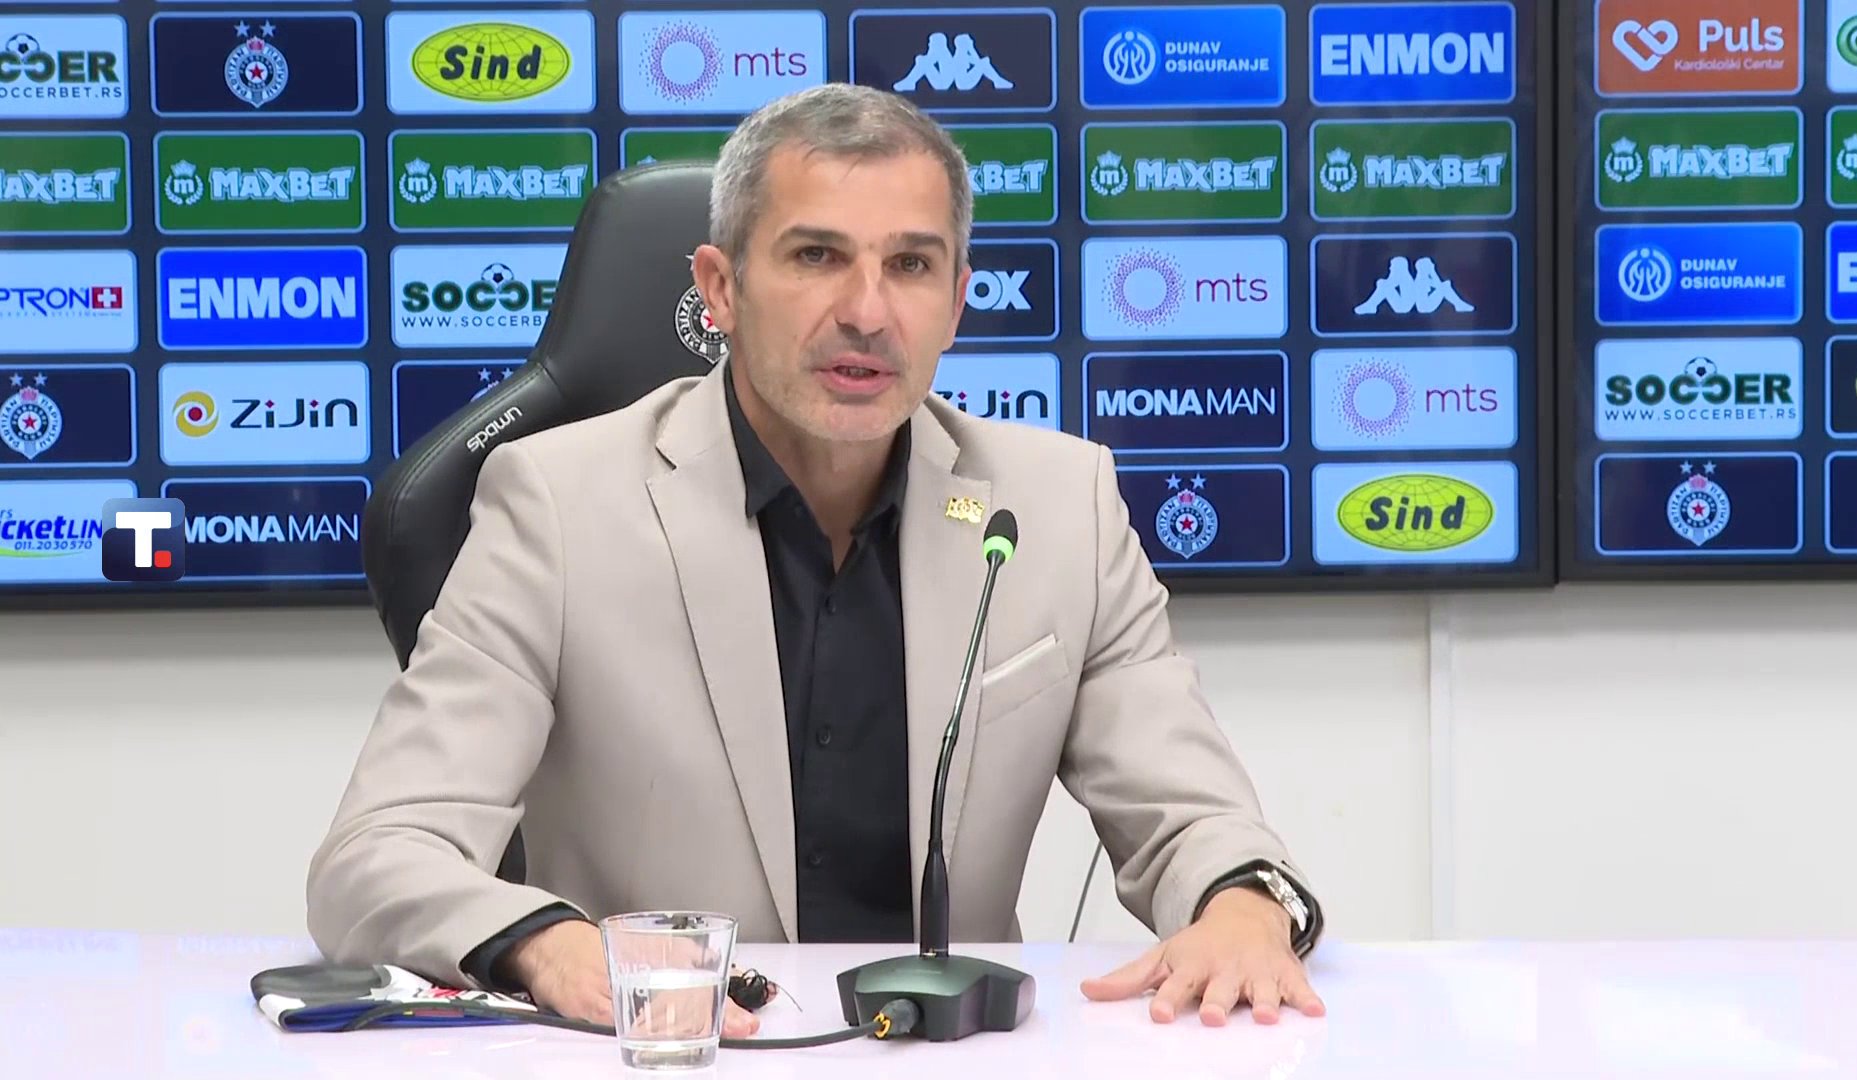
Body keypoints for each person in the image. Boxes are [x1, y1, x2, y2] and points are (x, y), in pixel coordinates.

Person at [306, 82, 1325, 1039]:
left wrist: (1242, 905)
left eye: (911, 266)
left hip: (947, 1056)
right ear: (720, 289)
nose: (868, 312)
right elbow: (378, 855)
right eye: (816, 257)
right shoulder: (559, 507)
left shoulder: (1057, 507)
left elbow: (1194, 815)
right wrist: (549, 945)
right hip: (677, 1055)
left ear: (957, 302)